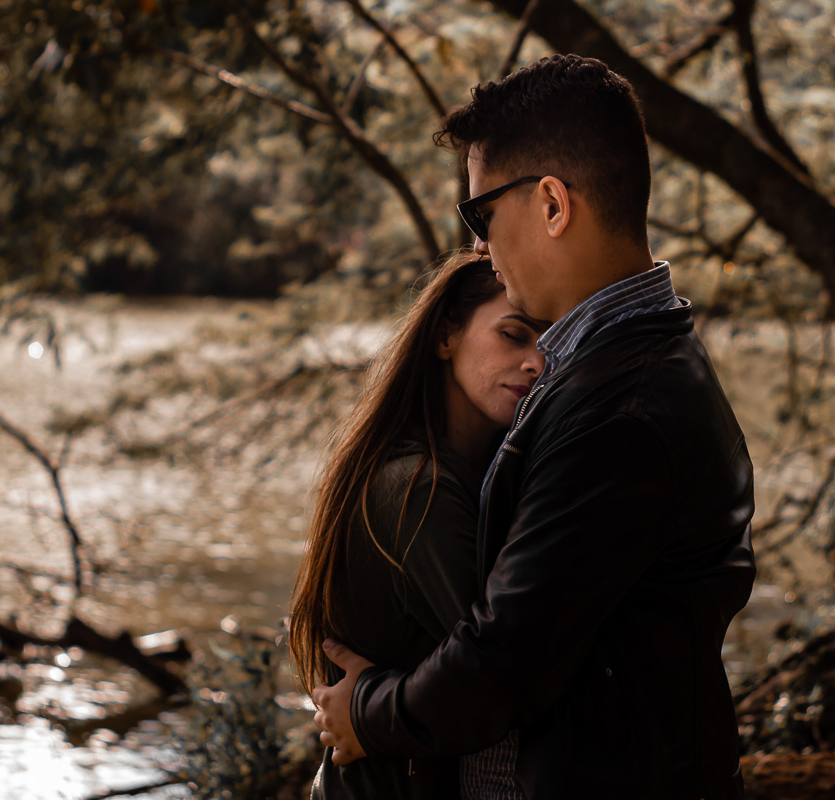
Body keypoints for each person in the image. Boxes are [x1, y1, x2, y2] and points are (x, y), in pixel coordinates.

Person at [311, 54, 757, 800]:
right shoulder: (616, 372)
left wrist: (366, 711)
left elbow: (502, 662)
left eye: (481, 215)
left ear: (552, 205)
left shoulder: (622, 411)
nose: (479, 246)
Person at [288, 251, 547, 798]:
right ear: (445, 336)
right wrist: (364, 709)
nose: (536, 363)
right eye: (513, 335)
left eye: (548, 344)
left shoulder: (473, 477)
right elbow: (503, 673)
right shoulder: (416, 488)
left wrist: (367, 704)